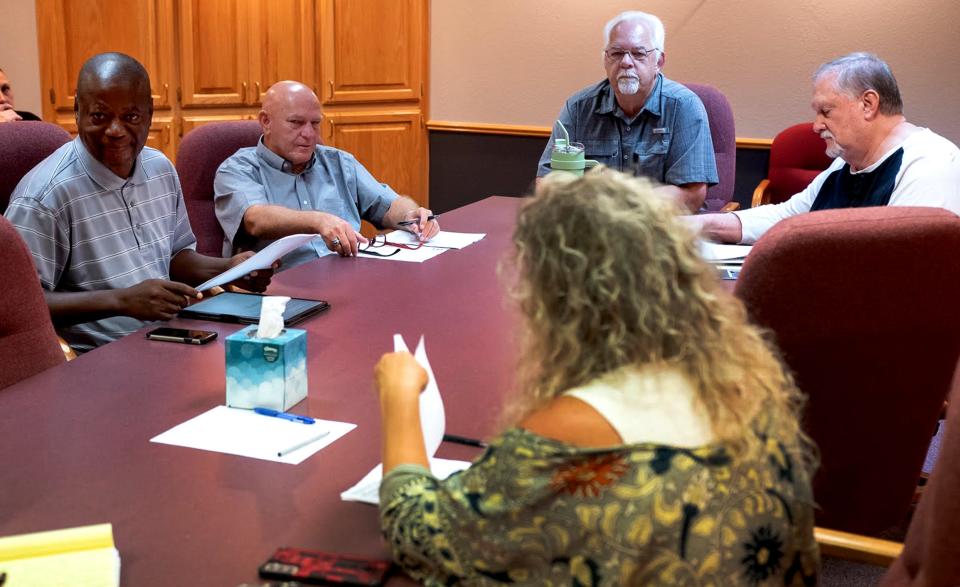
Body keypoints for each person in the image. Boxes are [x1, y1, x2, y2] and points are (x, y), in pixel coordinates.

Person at [373, 169, 820, 585]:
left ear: (553, 298)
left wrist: (400, 395)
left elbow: (418, 531)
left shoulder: (563, 443)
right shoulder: (746, 388)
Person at [4, 52, 272, 353]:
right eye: (99, 116)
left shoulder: (160, 168)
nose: (115, 130)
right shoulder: (44, 196)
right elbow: (22, 307)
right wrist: (122, 300)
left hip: (174, 337)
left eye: (130, 117)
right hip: (100, 358)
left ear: (149, 114)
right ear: (78, 111)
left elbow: (174, 258)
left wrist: (229, 268)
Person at [692, 52, 960, 244]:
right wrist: (696, 225)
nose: (816, 125)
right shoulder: (846, 163)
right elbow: (788, 217)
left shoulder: (930, 165)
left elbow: (901, 263)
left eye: (826, 111)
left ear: (868, 104)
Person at [214, 81, 439, 270]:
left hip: (351, 276)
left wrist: (412, 216)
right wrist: (318, 221)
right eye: (296, 123)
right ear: (266, 122)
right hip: (283, 290)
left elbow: (388, 205)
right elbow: (256, 219)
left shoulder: (339, 162)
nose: (309, 134)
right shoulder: (237, 169)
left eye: (315, 124)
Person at [536, 11, 718, 212]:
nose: (626, 62)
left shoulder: (684, 106)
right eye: (616, 53)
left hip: (662, 231)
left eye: (639, 54)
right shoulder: (579, 107)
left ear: (658, 62)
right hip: (594, 230)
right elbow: (546, 182)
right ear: (606, 60)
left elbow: (691, 196)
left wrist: (616, 196)